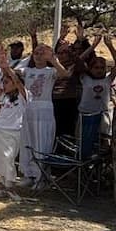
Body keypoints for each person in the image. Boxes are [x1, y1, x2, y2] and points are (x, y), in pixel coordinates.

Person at [19, 44, 70, 187]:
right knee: (28, 142)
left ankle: (41, 177)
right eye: (36, 53)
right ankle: (29, 174)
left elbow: (65, 74)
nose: (38, 55)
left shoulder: (50, 71)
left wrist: (53, 60)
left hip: (44, 110)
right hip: (29, 109)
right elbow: (11, 71)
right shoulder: (27, 71)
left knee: (42, 143)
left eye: (42, 53)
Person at [74, 33, 116, 159]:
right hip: (85, 115)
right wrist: (93, 46)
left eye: (102, 67)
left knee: (103, 144)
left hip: (102, 115)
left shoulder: (107, 79)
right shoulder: (85, 78)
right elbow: (78, 60)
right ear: (90, 68)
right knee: (83, 144)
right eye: (96, 67)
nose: (99, 70)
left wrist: (110, 46)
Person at [0, 50, 27, 187]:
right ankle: (4, 184)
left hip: (13, 131)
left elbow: (18, 82)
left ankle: (10, 185)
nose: (4, 85)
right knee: (0, 158)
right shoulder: (4, 96)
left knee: (9, 157)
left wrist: (6, 68)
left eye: (7, 82)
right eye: (4, 82)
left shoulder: (23, 95)